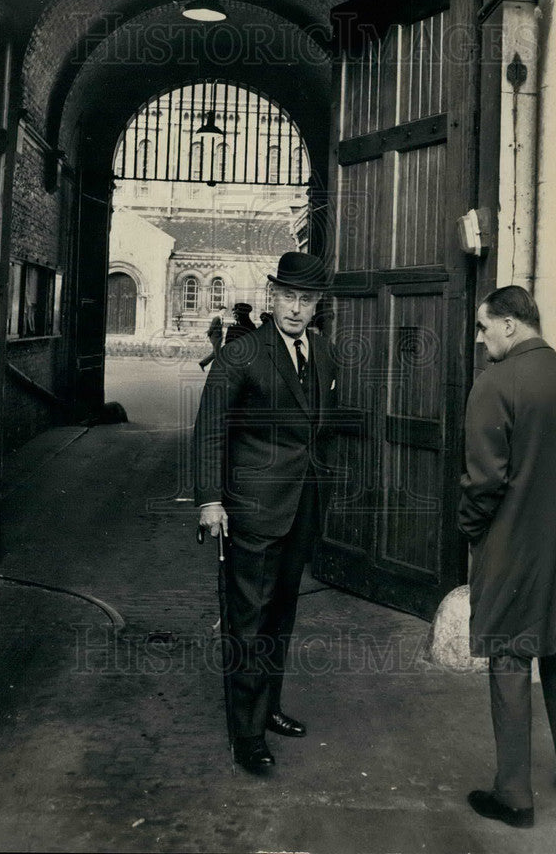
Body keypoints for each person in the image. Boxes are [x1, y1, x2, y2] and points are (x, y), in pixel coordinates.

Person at [458, 285, 556, 828]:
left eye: (484, 329)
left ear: (508, 325)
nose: (480, 341)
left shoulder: (494, 384)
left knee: (509, 657)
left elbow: (484, 481)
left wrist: (472, 530)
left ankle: (514, 796)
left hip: (512, 548)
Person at [193, 252, 338, 774]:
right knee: (247, 621)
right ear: (273, 296)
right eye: (288, 298)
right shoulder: (243, 353)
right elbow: (211, 429)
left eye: (307, 301)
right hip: (251, 511)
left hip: (299, 508)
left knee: (279, 616)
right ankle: (246, 733)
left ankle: (268, 707)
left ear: (316, 306)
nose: (296, 309)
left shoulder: (323, 353)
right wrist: (211, 500)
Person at [199, 305, 227, 371]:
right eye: (223, 311)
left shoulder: (221, 318)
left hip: (219, 337)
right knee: (217, 353)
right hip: (215, 338)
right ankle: (219, 368)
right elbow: (212, 327)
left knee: (215, 353)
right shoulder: (216, 318)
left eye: (225, 311)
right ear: (219, 311)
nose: (224, 312)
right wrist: (208, 335)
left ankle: (202, 363)